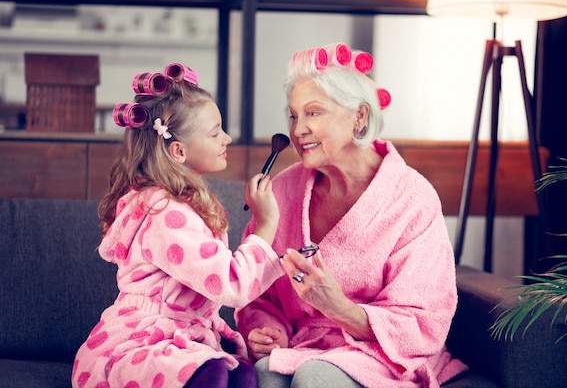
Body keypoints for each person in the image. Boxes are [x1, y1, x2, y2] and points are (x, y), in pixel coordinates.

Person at [235, 44, 468, 388]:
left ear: (359, 116)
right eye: (294, 115)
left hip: (384, 357)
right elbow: (258, 295)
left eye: (314, 113)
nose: (298, 129)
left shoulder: (411, 199)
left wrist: (338, 307)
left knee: (315, 377)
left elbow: (422, 323)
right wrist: (267, 332)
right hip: (304, 348)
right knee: (266, 374)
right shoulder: (283, 192)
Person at [72, 63, 284, 388]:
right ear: (179, 151)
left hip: (184, 335)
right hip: (141, 341)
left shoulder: (182, 202)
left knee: (242, 375)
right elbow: (231, 284)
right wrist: (266, 224)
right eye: (215, 133)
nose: (226, 138)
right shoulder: (165, 212)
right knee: (209, 373)